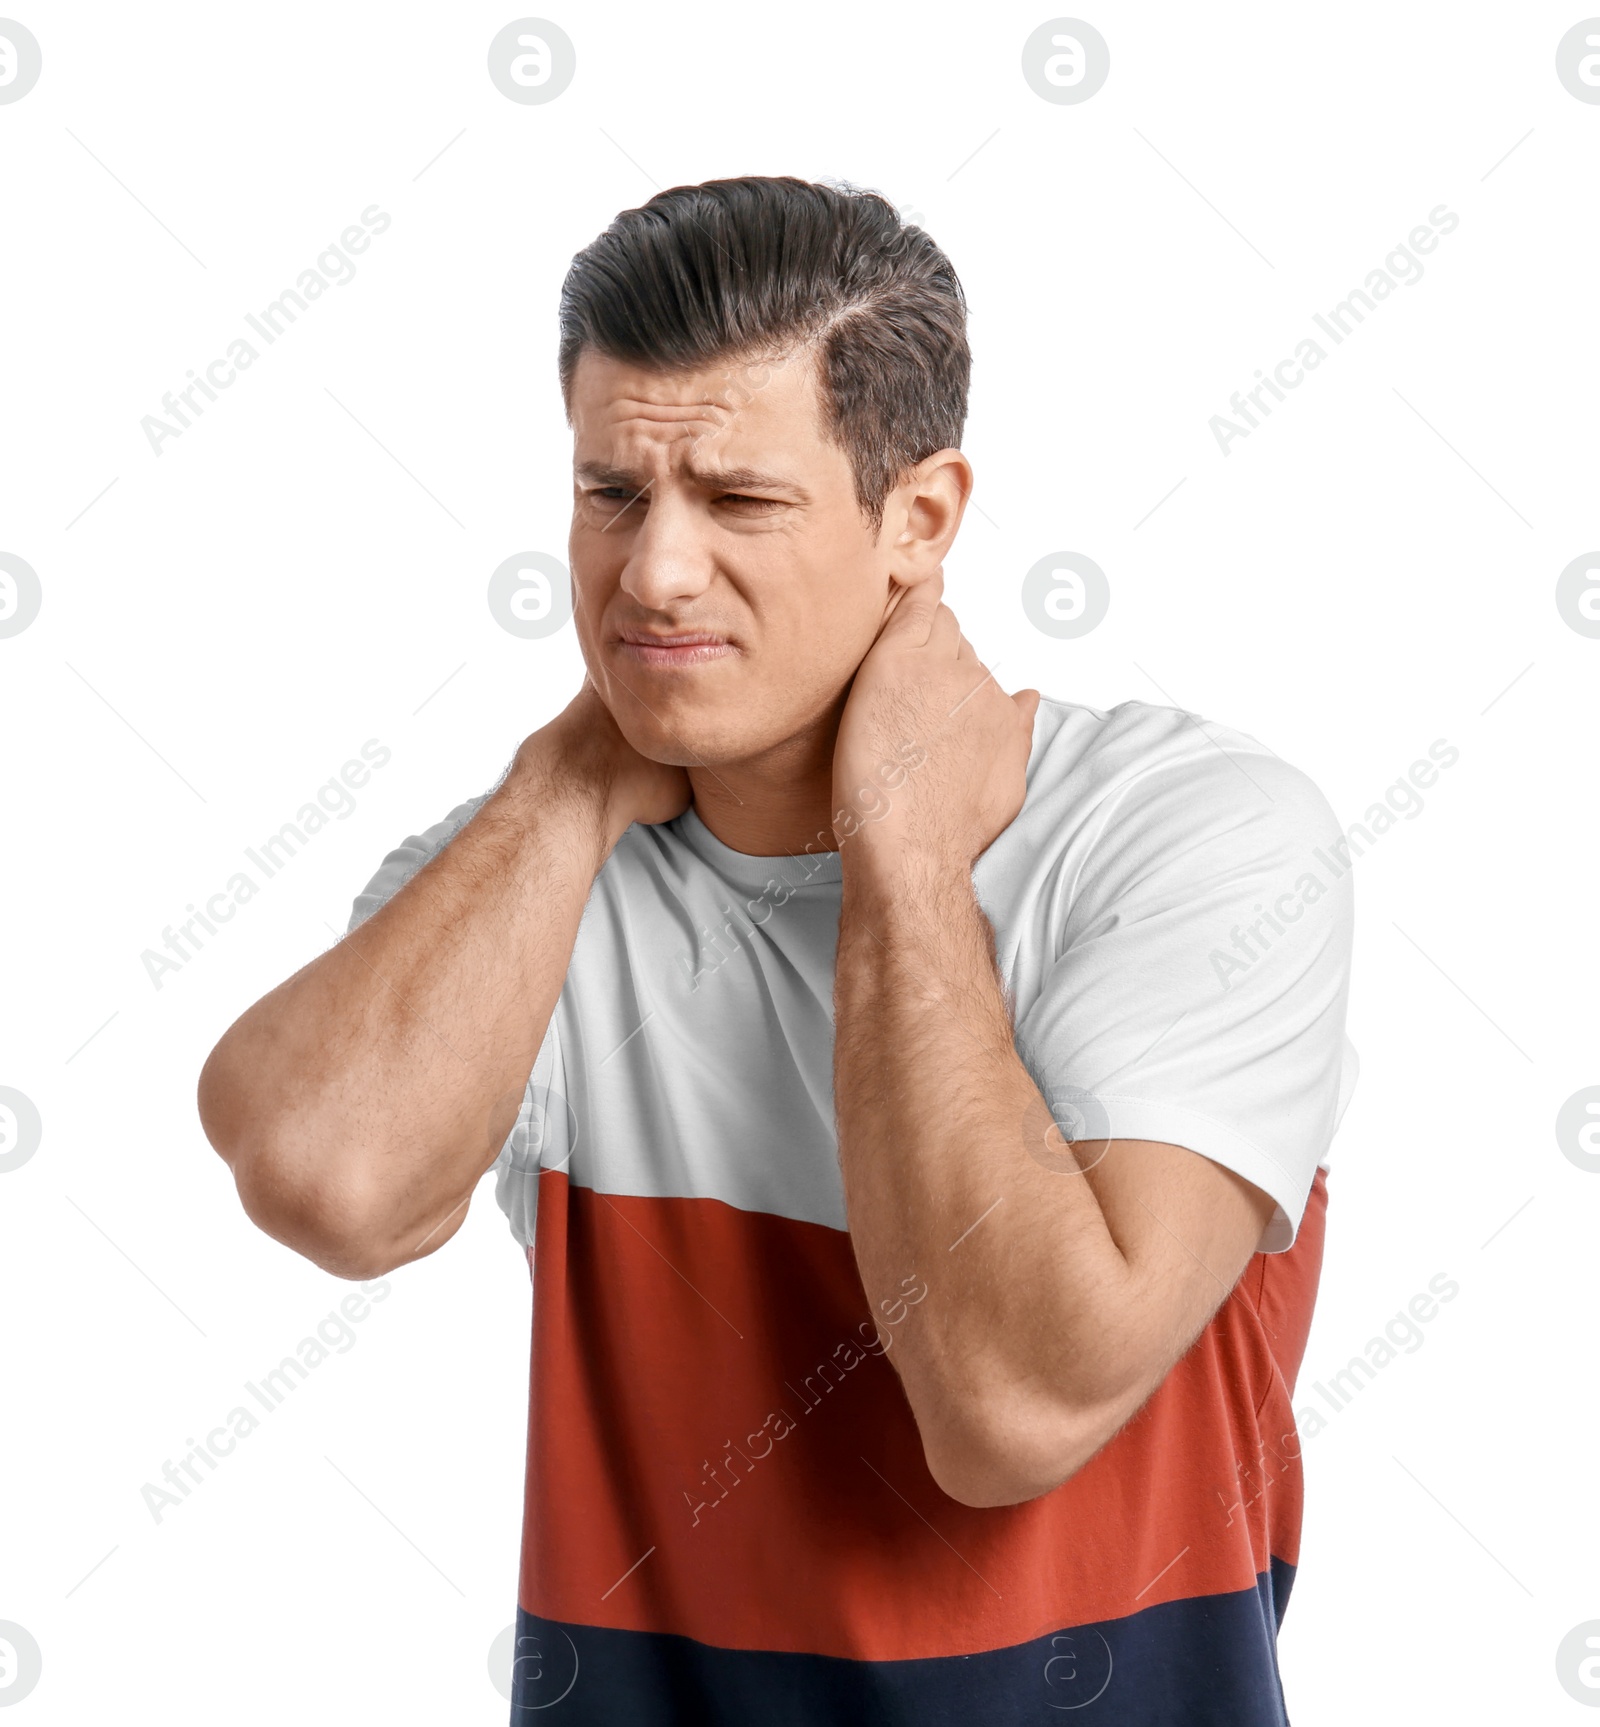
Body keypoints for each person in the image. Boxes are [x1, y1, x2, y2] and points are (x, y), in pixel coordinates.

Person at [198, 175, 1358, 1725]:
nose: (654, 573)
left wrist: (900, 849)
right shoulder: (525, 871)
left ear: (919, 522)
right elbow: (329, 1184)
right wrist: (569, 778)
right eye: (612, 494)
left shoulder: (1189, 838)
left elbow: (1011, 1409)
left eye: (739, 502)